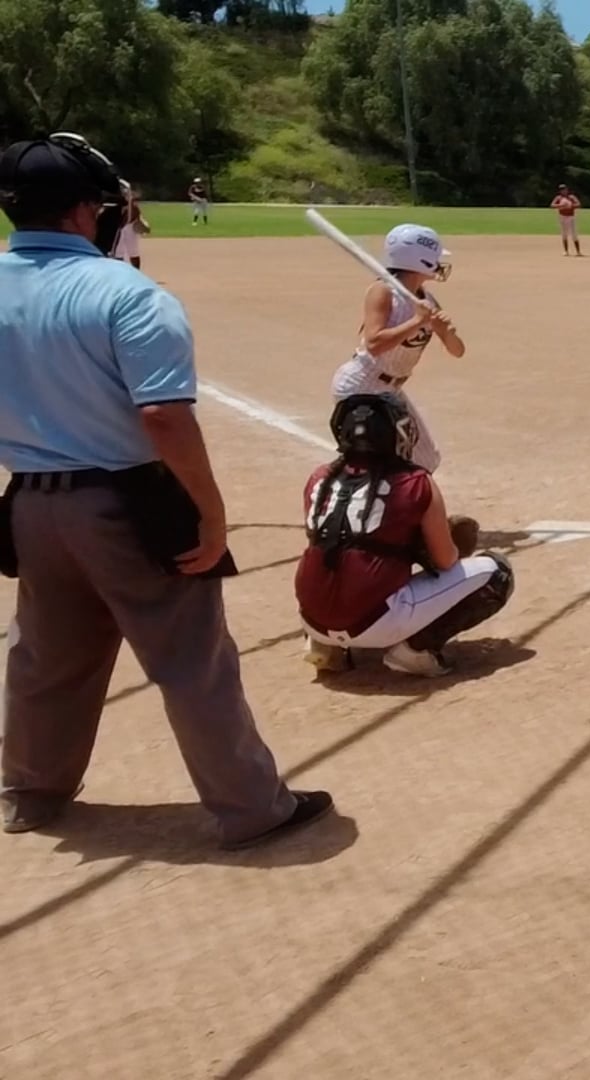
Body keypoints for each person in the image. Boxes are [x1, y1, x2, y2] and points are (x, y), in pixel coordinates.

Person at [0, 134, 331, 849]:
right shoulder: (124, 291)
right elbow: (163, 416)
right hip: (128, 502)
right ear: (86, 210)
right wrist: (210, 512)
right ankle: (252, 809)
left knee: (45, 657)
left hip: (30, 501)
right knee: (191, 661)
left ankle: (29, 792)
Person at [296, 394, 514, 678]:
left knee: (332, 561)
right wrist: (420, 548)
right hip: (377, 622)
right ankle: (413, 651)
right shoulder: (415, 481)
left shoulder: (320, 477)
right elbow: (446, 560)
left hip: (311, 616)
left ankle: (325, 645)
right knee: (497, 573)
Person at [328, 224, 463, 473]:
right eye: (435, 258)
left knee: (425, 459)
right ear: (420, 260)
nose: (439, 264)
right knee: (377, 463)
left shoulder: (426, 300)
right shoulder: (382, 292)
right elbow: (374, 343)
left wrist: (446, 333)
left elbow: (458, 351)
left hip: (391, 390)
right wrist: (417, 322)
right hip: (361, 385)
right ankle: (338, 492)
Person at [109, 181, 150, 271]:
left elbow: (135, 209)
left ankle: (136, 272)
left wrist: (139, 220)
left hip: (129, 226)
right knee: (118, 253)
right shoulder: (118, 198)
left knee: (132, 252)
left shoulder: (131, 199)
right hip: (122, 226)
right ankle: (120, 271)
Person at [551, 184, 582, 256]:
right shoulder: (558, 197)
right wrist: (561, 205)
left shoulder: (571, 197)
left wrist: (571, 205)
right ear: (560, 191)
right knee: (564, 234)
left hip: (571, 217)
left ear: (567, 190)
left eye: (564, 189)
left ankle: (578, 252)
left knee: (574, 234)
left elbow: (578, 204)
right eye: (562, 190)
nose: (563, 191)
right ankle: (566, 251)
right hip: (562, 217)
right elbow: (552, 205)